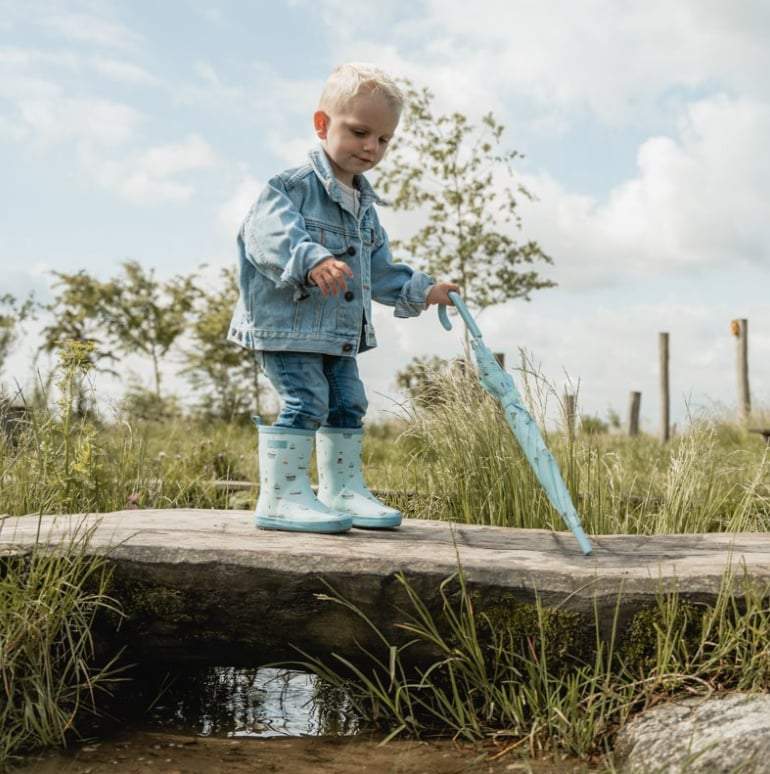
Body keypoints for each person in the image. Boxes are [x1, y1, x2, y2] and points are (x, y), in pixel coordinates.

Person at [228, 62, 459, 535]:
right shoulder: (290, 189)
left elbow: (378, 271)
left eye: (383, 139)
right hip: (288, 328)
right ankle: (283, 496)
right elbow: (268, 237)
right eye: (359, 132)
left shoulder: (365, 212)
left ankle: (342, 490)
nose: (371, 148)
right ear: (321, 125)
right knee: (306, 399)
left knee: (348, 401)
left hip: (338, 333)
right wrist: (311, 258)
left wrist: (425, 290)